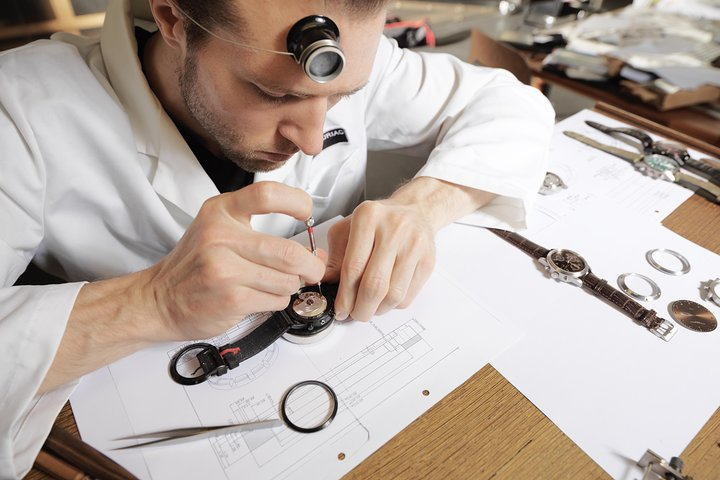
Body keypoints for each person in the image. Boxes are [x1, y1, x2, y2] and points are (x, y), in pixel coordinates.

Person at [0, 0, 554, 476]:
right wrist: (152, 302)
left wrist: (419, 207)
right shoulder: (20, 109)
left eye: (338, 100)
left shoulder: (356, 56)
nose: (312, 141)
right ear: (173, 17)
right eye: (274, 95)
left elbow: (515, 106)